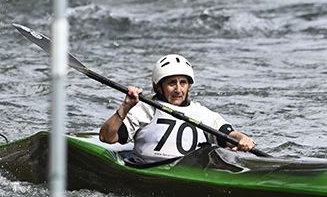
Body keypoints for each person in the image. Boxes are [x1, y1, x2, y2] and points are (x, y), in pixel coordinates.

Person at [99, 53, 255, 162]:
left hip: (189, 172)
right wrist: (126, 107)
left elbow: (229, 135)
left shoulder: (202, 113)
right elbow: (107, 137)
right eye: (172, 83)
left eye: (183, 83)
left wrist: (242, 139)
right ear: (159, 87)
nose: (178, 90)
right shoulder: (145, 109)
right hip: (150, 169)